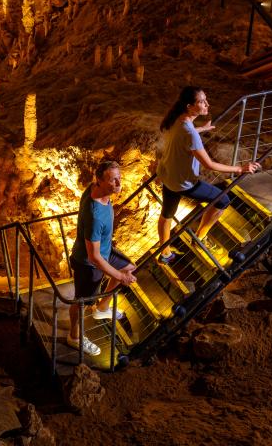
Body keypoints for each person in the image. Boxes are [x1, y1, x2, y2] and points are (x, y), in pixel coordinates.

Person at [156, 86, 261, 264]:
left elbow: (184, 135)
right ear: (190, 106)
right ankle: (200, 237)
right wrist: (240, 169)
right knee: (223, 200)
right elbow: (209, 165)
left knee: (166, 215)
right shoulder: (190, 133)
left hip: (167, 175)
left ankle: (164, 253)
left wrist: (201, 130)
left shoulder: (176, 120)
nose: (207, 104)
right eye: (202, 102)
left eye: (206, 100)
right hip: (183, 182)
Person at [67, 160, 137, 357]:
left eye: (119, 178)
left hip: (106, 250)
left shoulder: (96, 190)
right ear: (98, 181)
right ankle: (74, 337)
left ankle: (103, 307)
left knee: (129, 266)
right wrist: (121, 278)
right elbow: (94, 257)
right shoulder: (95, 215)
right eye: (113, 180)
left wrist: (122, 273)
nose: (118, 183)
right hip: (87, 263)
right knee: (82, 302)